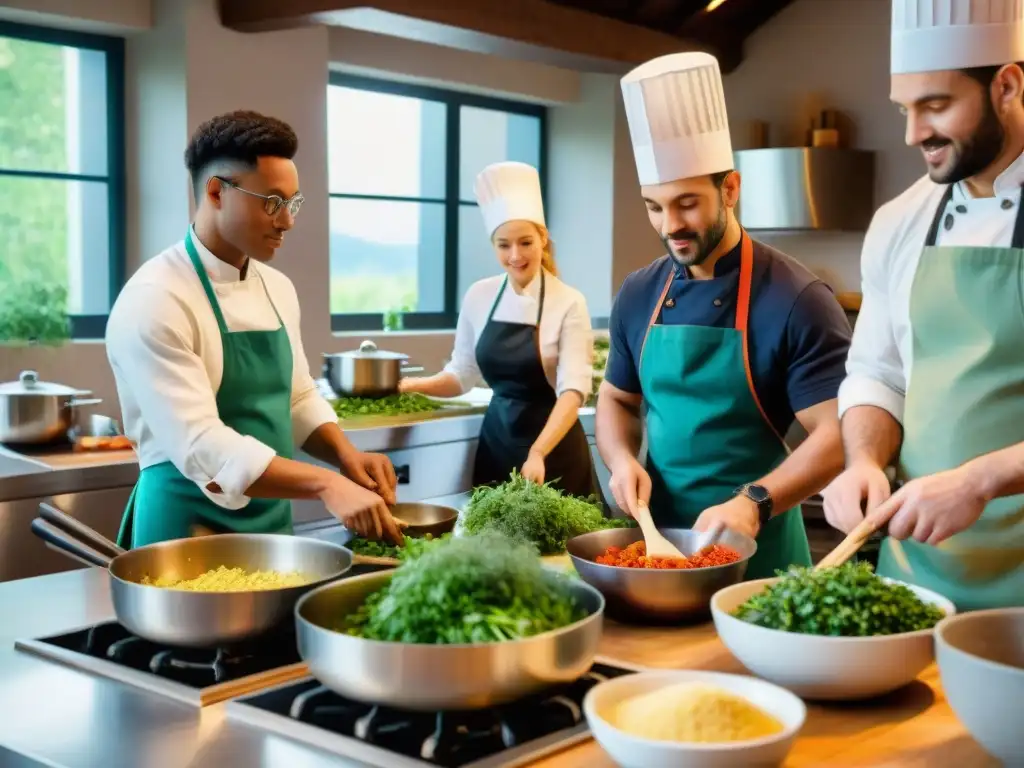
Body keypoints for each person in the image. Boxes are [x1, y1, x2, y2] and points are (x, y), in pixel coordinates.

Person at [597, 52, 853, 579]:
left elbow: (837, 435)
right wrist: (621, 461)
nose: (670, 225)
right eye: (653, 206)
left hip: (761, 553)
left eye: (687, 203)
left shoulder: (797, 297)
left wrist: (755, 500)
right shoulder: (639, 292)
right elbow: (617, 400)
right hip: (657, 545)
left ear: (730, 189)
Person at [106, 110, 403, 548]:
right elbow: (201, 444)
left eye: (293, 203)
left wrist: (345, 456)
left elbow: (298, 396)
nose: (287, 221)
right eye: (272, 203)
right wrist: (324, 484)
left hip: (269, 527)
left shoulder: (277, 287)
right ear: (215, 192)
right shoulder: (155, 298)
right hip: (185, 531)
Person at [822, 0, 1024, 610]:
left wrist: (979, 480)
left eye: (936, 106)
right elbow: (878, 373)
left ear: (1008, 85)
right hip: (919, 570)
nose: (913, 134)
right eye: (904, 110)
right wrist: (864, 461)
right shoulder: (898, 221)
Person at [399, 161, 596, 496]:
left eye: (525, 242)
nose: (515, 255)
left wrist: (538, 451)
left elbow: (573, 392)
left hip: (554, 451)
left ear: (543, 239)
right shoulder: (479, 295)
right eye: (504, 245)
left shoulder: (569, 302)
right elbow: (461, 376)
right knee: (494, 546)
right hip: (498, 444)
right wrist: (407, 385)